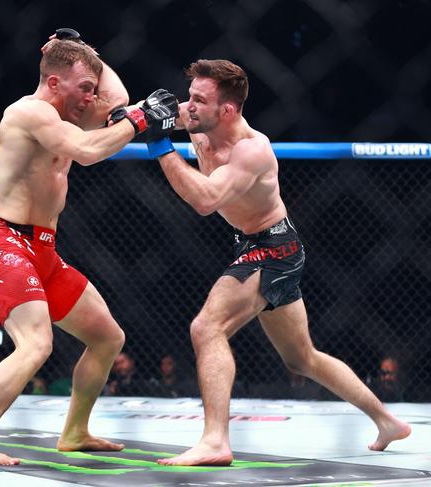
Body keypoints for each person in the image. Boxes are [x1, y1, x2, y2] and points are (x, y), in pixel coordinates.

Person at [147, 59, 411, 466]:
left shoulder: (252, 150)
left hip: (274, 249)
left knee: (207, 327)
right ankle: (387, 421)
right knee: (302, 357)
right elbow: (143, 113)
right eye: (190, 97)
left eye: (199, 100)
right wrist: (124, 106)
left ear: (228, 110)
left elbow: (204, 201)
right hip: (253, 245)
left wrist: (161, 146)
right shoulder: (198, 118)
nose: (188, 106)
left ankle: (215, 440)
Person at [0, 28, 177, 465]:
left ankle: (74, 432)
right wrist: (139, 119)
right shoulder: (29, 114)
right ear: (54, 82)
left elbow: (118, 100)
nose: (92, 98)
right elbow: (88, 151)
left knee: (108, 338)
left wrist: (88, 52)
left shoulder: (72, 113)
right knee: (36, 345)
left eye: (92, 88)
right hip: (9, 244)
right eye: (84, 88)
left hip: (45, 252)